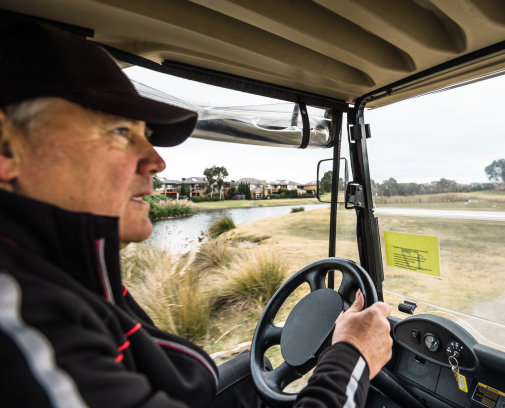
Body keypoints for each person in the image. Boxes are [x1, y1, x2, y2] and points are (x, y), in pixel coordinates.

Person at [0, 20, 393, 408]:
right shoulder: (24, 326)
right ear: (6, 148)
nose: (156, 161)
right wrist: (352, 356)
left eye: (145, 135)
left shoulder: (73, 278)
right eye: (119, 132)